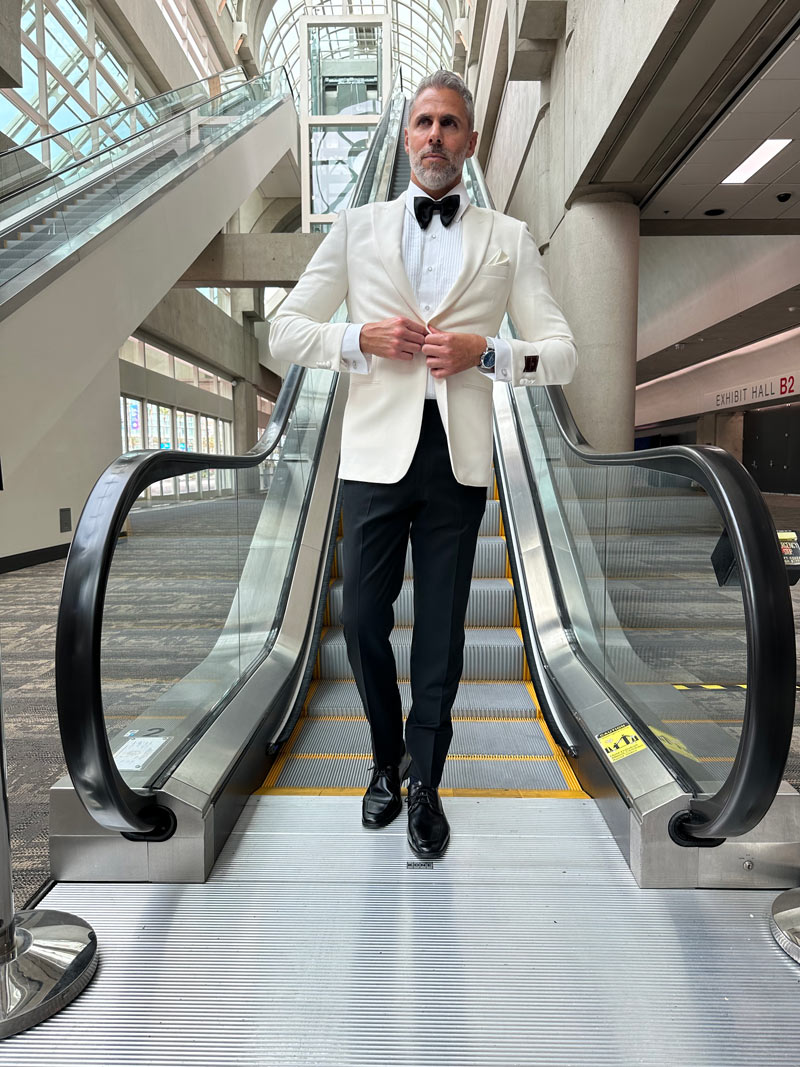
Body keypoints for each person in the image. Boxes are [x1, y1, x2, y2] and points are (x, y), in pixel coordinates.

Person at [270, 70, 576, 858]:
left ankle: (428, 784)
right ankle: (384, 759)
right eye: (423, 122)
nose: (434, 135)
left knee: (440, 636)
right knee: (366, 623)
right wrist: (355, 339)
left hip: (459, 461)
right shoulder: (358, 227)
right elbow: (285, 330)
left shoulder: (507, 239)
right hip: (373, 457)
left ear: (470, 145)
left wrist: (493, 352)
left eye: (449, 125)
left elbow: (565, 354)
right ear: (406, 137)